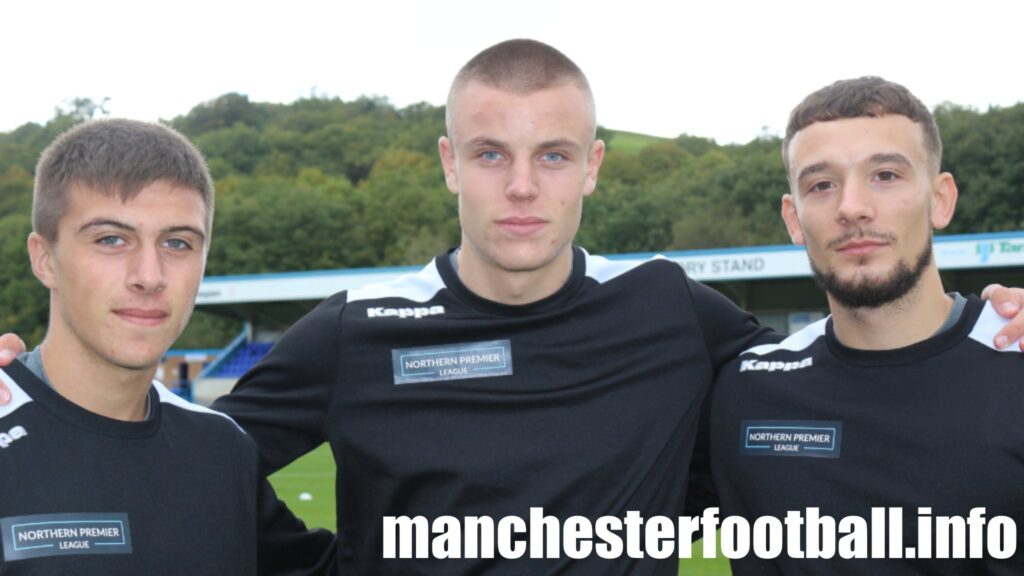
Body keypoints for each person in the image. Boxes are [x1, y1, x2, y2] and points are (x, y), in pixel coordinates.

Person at [1, 41, 1024, 575]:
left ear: (594, 169)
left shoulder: (672, 313)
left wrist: (991, 325)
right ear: (449, 163)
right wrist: (30, 394)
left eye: (552, 156)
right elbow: (173, 454)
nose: (521, 187)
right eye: (491, 154)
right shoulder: (358, 330)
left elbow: (857, 360)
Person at [707, 77, 1024, 573]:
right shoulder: (741, 391)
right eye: (821, 185)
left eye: (886, 175)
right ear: (793, 218)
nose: (852, 207)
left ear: (940, 199)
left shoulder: (1014, 362)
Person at [0, 119, 333, 574]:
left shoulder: (222, 448)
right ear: (44, 259)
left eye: (177, 242)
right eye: (111, 239)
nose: (150, 275)